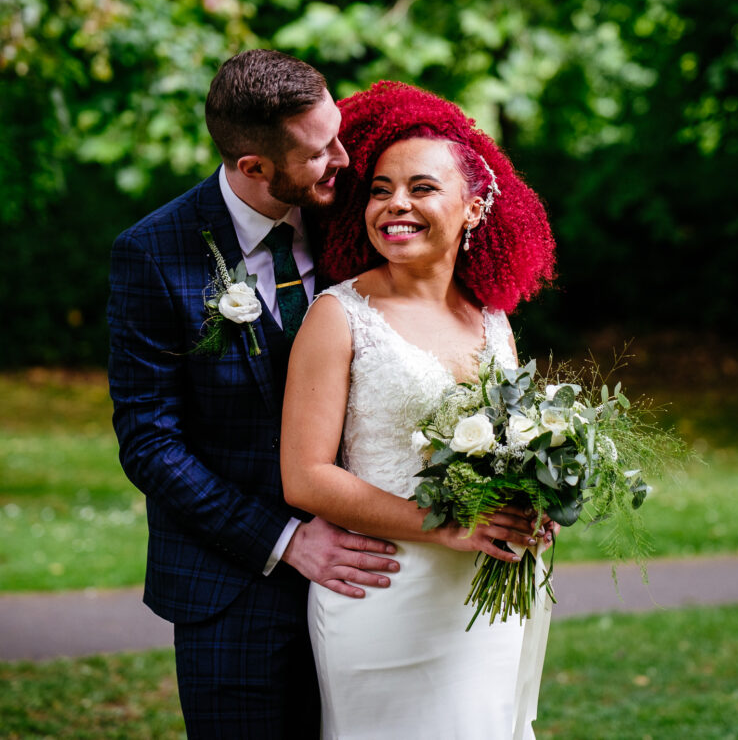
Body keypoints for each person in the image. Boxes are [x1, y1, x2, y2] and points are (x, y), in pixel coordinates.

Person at [107, 50, 402, 739]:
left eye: (337, 134)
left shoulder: (356, 217)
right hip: (232, 590)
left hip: (371, 580)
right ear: (254, 167)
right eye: (319, 151)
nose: (344, 159)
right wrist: (285, 540)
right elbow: (149, 443)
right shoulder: (153, 253)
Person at [280, 81, 559, 739]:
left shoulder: (492, 320)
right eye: (381, 189)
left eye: (421, 187)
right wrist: (447, 527)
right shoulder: (339, 315)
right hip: (383, 592)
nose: (395, 204)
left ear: (474, 206)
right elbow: (306, 477)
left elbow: (511, 447)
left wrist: (537, 499)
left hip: (489, 595)